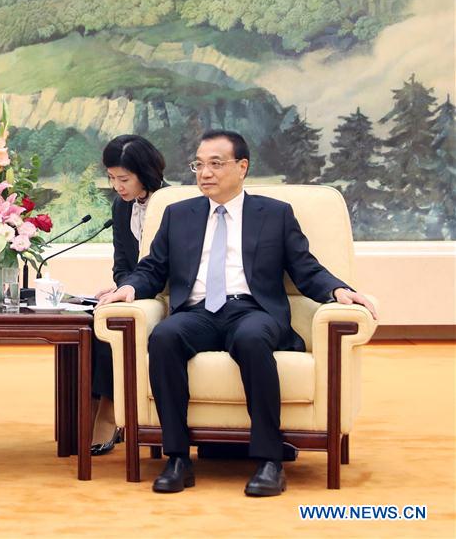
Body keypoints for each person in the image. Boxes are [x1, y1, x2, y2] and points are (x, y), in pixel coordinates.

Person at [99, 129, 376, 496]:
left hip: (251, 310)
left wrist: (339, 290)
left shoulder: (274, 214)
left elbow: (304, 267)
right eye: (199, 164)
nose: (205, 173)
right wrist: (128, 289)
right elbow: (153, 268)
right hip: (197, 311)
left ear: (242, 167)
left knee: (250, 338)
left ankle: (268, 461)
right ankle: (178, 458)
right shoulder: (178, 214)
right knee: (164, 336)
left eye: (216, 163)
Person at [90, 135, 167, 456]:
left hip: (171, 295)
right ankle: (92, 407)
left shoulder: (175, 202)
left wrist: (133, 287)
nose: (117, 186)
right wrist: (124, 286)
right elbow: (122, 263)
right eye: (111, 178)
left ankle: (110, 412)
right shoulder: (121, 207)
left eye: (124, 179)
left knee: (120, 319)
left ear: (145, 173)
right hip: (138, 295)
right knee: (97, 319)